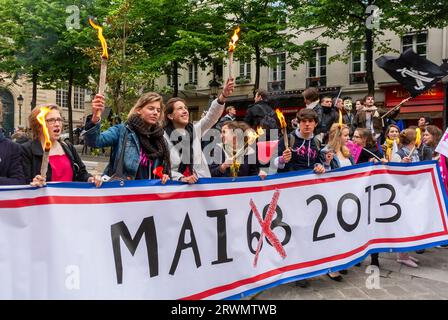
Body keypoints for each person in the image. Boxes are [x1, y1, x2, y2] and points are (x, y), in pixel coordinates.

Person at [85, 93, 170, 183]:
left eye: (158, 110)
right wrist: (95, 118)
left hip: (149, 193)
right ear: (138, 110)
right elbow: (95, 141)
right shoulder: (122, 131)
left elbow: (162, 170)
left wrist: (164, 176)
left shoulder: (160, 139)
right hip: (124, 191)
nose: (155, 113)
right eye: (151, 108)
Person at [164, 78, 235, 183]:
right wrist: (181, 178)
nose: (185, 111)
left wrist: (223, 96)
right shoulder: (163, 137)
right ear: (170, 116)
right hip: (177, 189)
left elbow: (211, 117)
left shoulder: (195, 129)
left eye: (185, 108)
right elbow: (164, 168)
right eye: (179, 109)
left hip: (201, 186)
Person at [21, 104, 101, 187]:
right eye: (51, 120)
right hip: (44, 199)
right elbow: (22, 182)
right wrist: (34, 183)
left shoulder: (67, 146)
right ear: (39, 125)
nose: (57, 124)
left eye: (59, 119)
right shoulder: (27, 150)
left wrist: (91, 179)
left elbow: (82, 173)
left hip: (67, 198)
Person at [391, 128, 420, 267]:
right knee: (404, 224)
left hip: (412, 191)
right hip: (402, 194)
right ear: (413, 140)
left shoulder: (415, 153)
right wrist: (402, 164)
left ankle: (406, 252)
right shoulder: (398, 154)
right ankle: (402, 255)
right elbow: (392, 174)